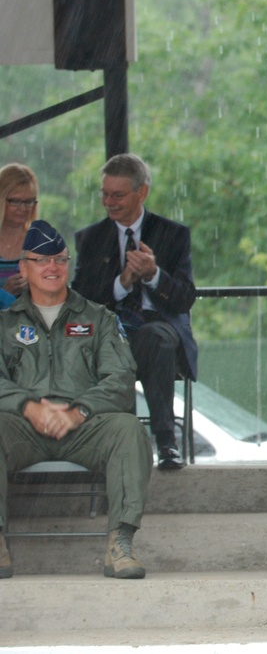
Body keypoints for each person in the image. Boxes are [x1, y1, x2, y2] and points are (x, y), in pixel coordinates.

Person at [0, 221, 150, 580]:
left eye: (60, 260)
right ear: (23, 267)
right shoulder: (5, 324)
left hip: (85, 427)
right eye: (41, 260)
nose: (52, 268)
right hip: (22, 426)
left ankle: (121, 544)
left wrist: (78, 410)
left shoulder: (98, 318)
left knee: (129, 429)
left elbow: (121, 379)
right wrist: (28, 406)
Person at [72, 155, 197, 471]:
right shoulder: (90, 239)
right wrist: (122, 282)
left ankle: (165, 442)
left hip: (158, 327)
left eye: (118, 195)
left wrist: (154, 274)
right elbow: (81, 300)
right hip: (109, 330)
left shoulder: (173, 234)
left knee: (153, 340)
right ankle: (114, 444)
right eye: (104, 194)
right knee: (106, 346)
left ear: (142, 193)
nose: (108, 202)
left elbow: (184, 299)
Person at [0, 164, 39, 309]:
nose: (23, 208)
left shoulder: (42, 243)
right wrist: (5, 294)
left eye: (29, 201)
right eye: (16, 201)